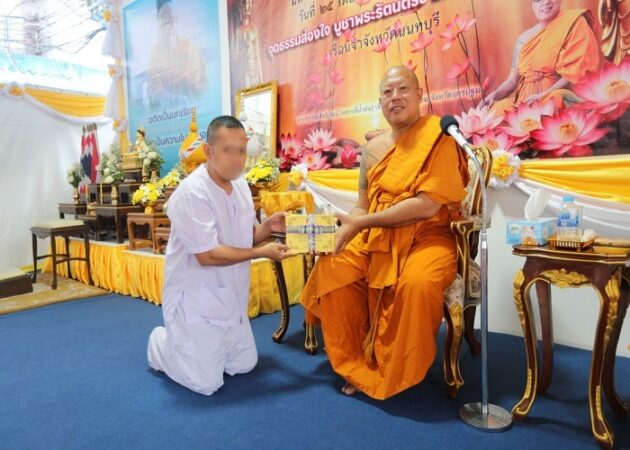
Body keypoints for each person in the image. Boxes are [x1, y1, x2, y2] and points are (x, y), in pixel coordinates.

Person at [300, 66, 470, 399]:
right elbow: (362, 206)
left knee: (417, 284)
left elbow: (427, 206)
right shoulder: (372, 150)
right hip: (378, 235)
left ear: (419, 95)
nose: (395, 97)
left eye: (403, 89)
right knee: (334, 266)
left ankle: (394, 370)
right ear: (380, 102)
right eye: (388, 92)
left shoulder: (439, 136)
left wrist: (361, 223)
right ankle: (358, 364)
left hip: (428, 236)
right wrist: (345, 228)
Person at [147, 115, 293, 395]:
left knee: (245, 365)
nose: (237, 159)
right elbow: (207, 256)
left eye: (242, 150)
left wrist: (268, 227)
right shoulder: (193, 192)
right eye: (228, 150)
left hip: (230, 300)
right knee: (206, 384)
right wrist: (261, 252)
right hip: (196, 303)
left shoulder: (240, 186)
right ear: (209, 151)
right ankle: (162, 343)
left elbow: (246, 236)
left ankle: (200, 351)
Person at [485, 0, 601, 113]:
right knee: (493, 111)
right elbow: (512, 81)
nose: (545, 2)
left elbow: (574, 74)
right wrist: (494, 96)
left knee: (554, 101)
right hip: (524, 103)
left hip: (553, 98)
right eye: (538, 0)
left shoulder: (573, 24)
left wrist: (542, 96)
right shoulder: (523, 39)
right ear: (533, 6)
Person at [146, 0, 208, 108]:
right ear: (159, 23)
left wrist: (186, 84)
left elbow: (201, 86)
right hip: (166, 113)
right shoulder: (154, 53)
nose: (168, 24)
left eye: (171, 18)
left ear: (176, 19)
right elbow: (153, 90)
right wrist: (170, 97)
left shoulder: (190, 48)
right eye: (164, 19)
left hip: (193, 110)